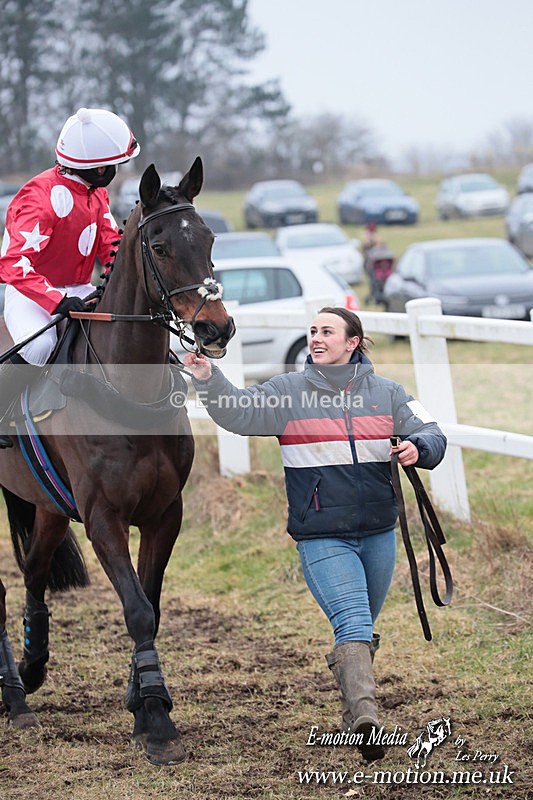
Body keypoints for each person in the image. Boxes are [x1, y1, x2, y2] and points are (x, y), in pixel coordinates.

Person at [184, 307, 446, 762]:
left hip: (380, 533)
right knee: (353, 621)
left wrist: (416, 446)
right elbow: (239, 413)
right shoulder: (288, 391)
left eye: (328, 331)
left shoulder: (388, 394)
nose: (317, 338)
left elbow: (432, 432)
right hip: (323, 535)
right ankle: (367, 718)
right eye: (313, 331)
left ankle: (352, 713)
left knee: (360, 630)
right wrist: (208, 376)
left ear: (353, 343)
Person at [0, 107, 140, 447]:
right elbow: (12, 264)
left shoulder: (96, 193)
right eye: (113, 166)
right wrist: (57, 300)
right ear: (97, 167)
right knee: (39, 345)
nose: (116, 172)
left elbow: (110, 244)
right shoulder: (39, 197)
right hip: (31, 292)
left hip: (78, 287)